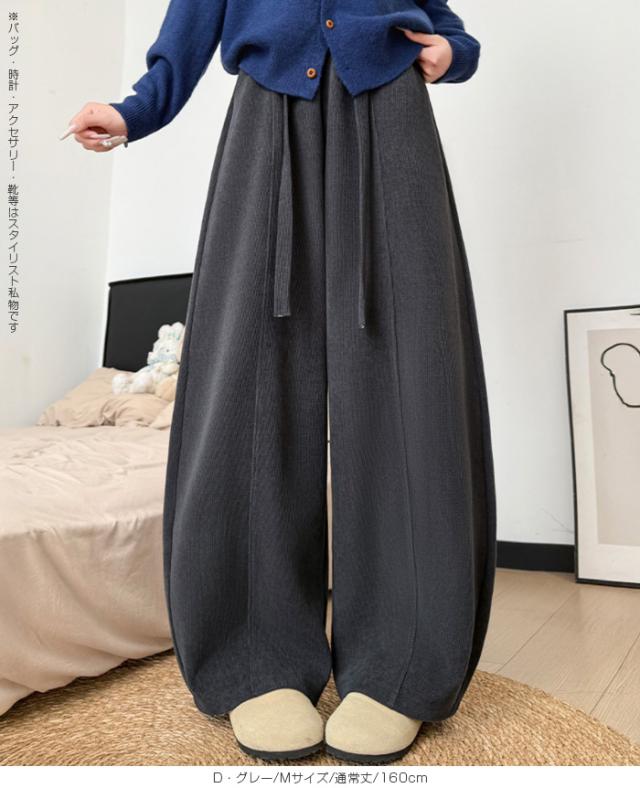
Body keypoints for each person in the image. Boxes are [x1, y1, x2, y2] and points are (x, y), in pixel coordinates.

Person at [62, 0, 497, 765]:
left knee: (410, 382)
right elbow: (188, 31)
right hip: (267, 123)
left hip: (394, 120)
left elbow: (446, 26)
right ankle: (254, 657)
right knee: (249, 387)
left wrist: (451, 53)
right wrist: (135, 112)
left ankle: (400, 663)